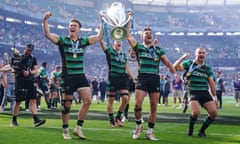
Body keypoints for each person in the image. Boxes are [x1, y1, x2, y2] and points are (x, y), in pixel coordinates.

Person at [43, 11, 103, 140]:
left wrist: (102, 21)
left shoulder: (83, 41)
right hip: (68, 76)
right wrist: (45, 21)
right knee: (67, 104)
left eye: (75, 25)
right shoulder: (62, 40)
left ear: (79, 29)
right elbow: (48, 34)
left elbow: (98, 37)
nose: (72, 27)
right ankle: (65, 129)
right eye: (70, 25)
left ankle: (78, 128)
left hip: (80, 75)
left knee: (87, 100)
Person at [126, 16, 178, 140]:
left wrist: (175, 74)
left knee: (154, 106)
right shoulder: (138, 47)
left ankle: (150, 131)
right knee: (137, 105)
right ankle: (139, 125)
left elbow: (168, 63)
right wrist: (129, 19)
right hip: (142, 77)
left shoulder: (158, 50)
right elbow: (127, 34)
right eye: (146, 33)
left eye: (150, 33)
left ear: (152, 36)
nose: (149, 35)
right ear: (142, 36)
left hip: (155, 78)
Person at [174, 49, 218, 138]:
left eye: (203, 53)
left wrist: (215, 97)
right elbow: (175, 67)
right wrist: (182, 58)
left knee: (213, 113)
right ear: (195, 54)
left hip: (204, 92)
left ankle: (201, 131)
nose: (201, 54)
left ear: (205, 55)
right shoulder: (189, 63)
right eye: (199, 53)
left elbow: (211, 83)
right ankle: (190, 130)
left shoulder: (208, 68)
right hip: (193, 91)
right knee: (196, 112)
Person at [100, 38, 136, 127]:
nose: (119, 43)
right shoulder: (110, 52)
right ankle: (112, 120)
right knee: (110, 101)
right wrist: (100, 38)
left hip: (122, 78)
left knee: (125, 98)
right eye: (117, 42)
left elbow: (127, 68)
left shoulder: (124, 55)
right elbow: (103, 46)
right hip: (113, 78)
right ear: (113, 44)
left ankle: (118, 117)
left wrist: (133, 79)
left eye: (120, 42)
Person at [11, 43, 46, 127]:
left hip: (29, 80)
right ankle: (14, 120)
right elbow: (13, 69)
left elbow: (36, 70)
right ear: (24, 48)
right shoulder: (17, 57)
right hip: (20, 81)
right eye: (28, 50)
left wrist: (29, 72)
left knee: (33, 100)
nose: (29, 52)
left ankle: (36, 120)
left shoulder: (33, 58)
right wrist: (21, 72)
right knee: (18, 101)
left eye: (30, 50)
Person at [122, 48, 138, 122]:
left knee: (138, 100)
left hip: (137, 80)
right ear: (129, 52)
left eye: (134, 51)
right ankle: (125, 116)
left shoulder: (139, 59)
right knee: (126, 99)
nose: (133, 53)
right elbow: (126, 70)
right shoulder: (126, 60)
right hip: (128, 80)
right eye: (132, 51)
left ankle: (138, 117)